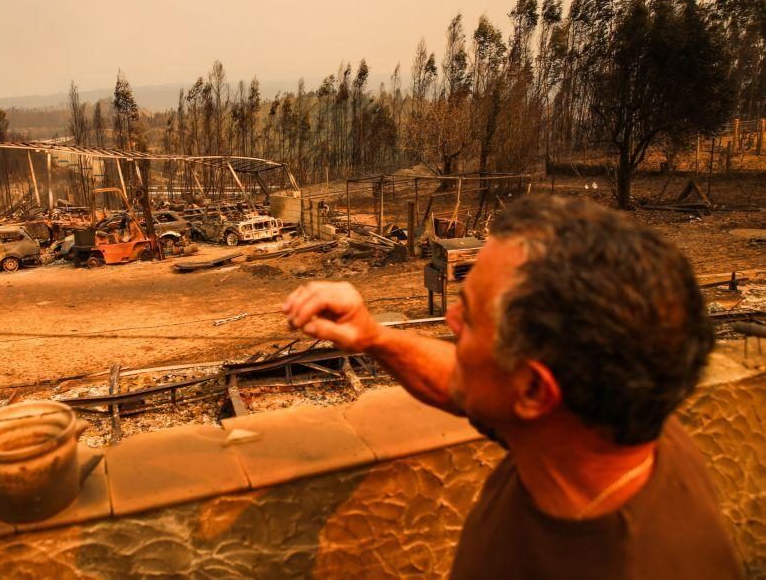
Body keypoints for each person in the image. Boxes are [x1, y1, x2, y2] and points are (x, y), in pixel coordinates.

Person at [282, 195, 740, 579]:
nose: (450, 319)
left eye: (473, 318)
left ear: (535, 393)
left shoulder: (627, 563)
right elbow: (470, 381)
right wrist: (373, 336)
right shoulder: (614, 422)